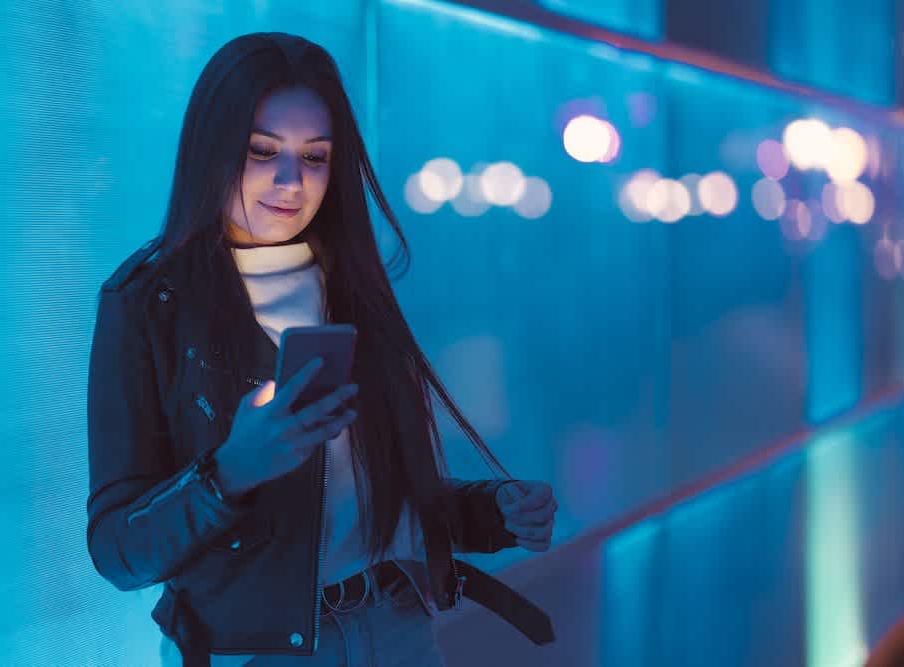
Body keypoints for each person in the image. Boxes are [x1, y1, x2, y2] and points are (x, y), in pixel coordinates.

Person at [86, 32, 557, 667]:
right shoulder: (150, 302)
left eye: (315, 157)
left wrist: (494, 512)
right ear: (212, 149)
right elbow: (119, 549)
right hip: (255, 651)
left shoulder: (352, 283)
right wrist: (231, 472)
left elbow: (369, 498)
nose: (290, 181)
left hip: (394, 625)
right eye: (262, 151)